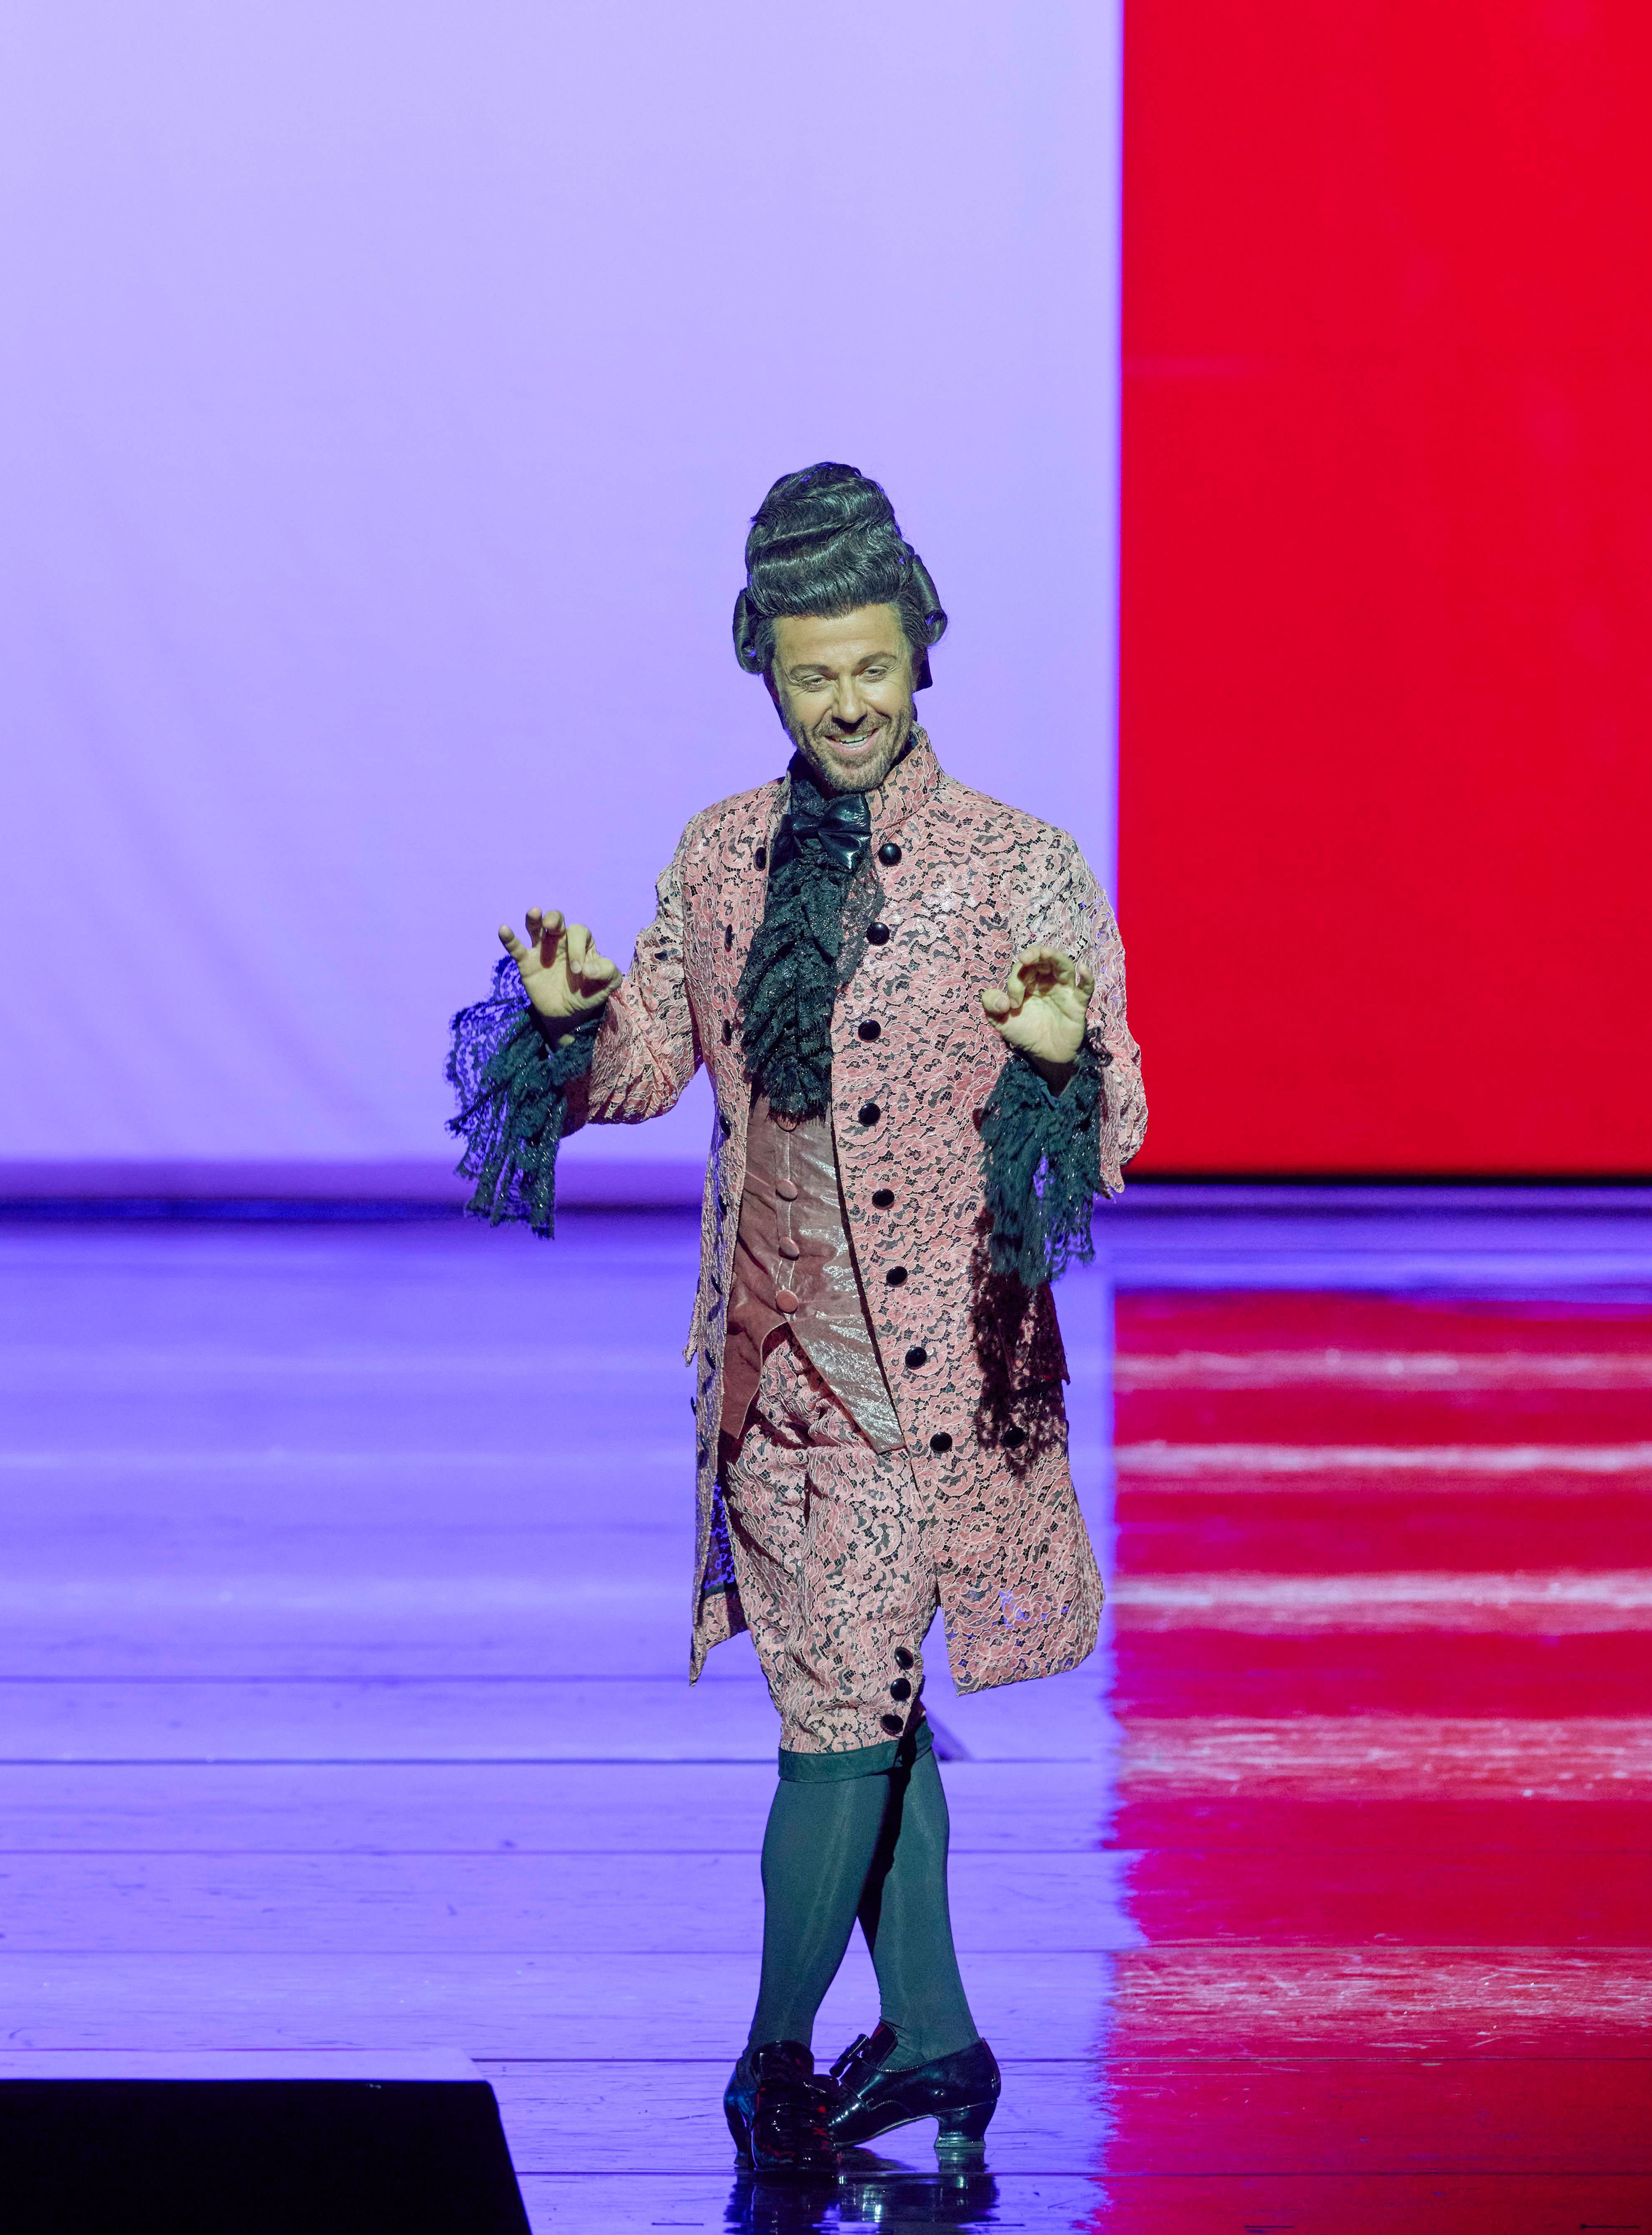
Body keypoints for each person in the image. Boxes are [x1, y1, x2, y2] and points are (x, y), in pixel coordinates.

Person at [447, 463, 1147, 2176]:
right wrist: (562, 1024)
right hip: (781, 1392)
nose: (849, 701)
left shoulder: (1019, 867)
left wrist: (1057, 1067)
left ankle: (776, 2061)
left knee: (843, 1718)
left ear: (923, 647)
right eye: (812, 670)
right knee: (864, 1700)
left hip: (949, 1391)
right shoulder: (722, 857)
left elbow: (1116, 1126)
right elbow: (642, 1070)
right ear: (765, 662)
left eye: (876, 664)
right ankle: (939, 2041)